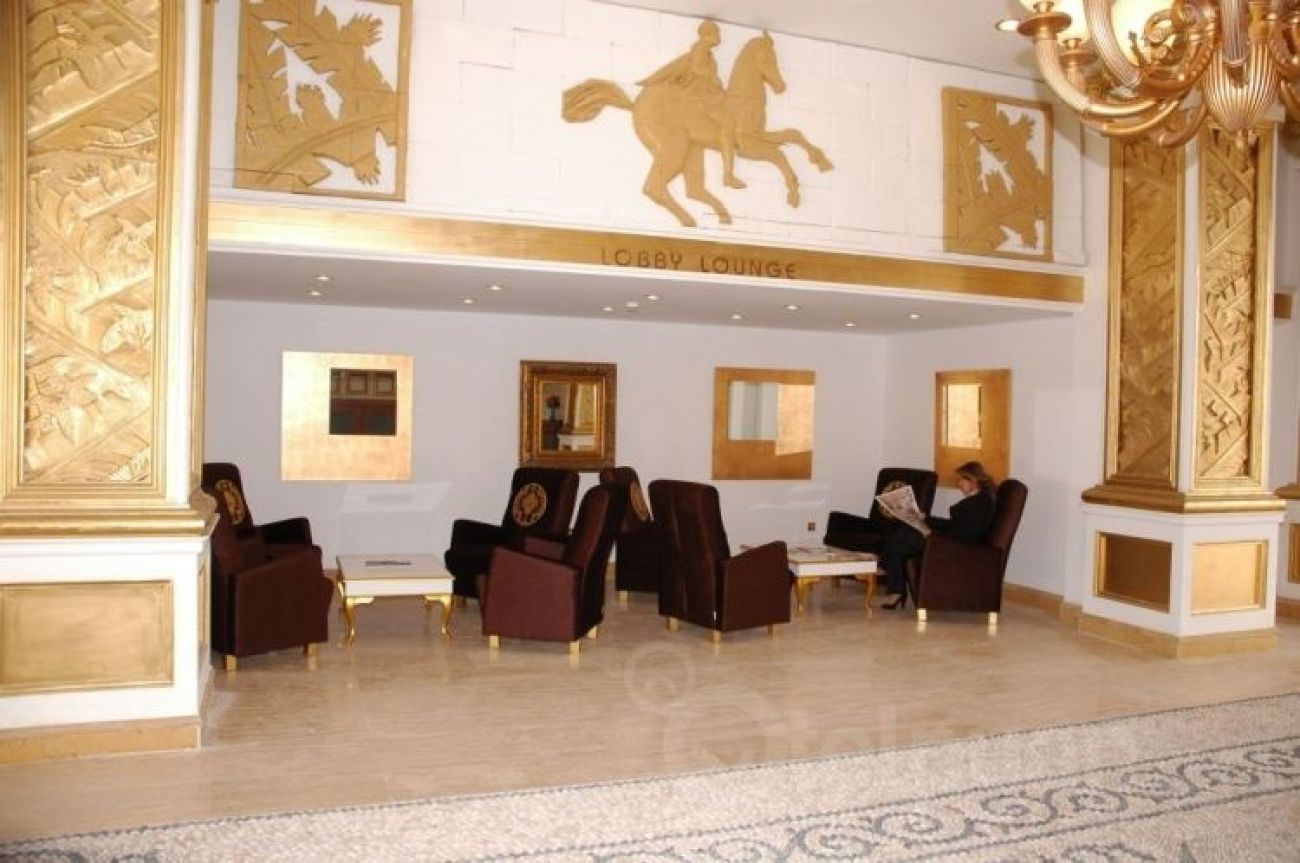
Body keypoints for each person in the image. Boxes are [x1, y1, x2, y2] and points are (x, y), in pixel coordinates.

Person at [638, 20, 744, 190]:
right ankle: (728, 174)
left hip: (709, 95)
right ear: (707, 34)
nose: (718, 36)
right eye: (716, 33)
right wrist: (712, 77)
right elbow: (696, 69)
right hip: (700, 98)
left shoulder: (708, 53)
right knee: (728, 124)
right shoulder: (700, 48)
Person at [878, 461, 997, 610]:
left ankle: (885, 570)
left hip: (950, 547)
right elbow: (954, 525)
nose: (959, 484)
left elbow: (964, 535)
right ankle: (894, 588)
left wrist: (930, 533)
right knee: (902, 538)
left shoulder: (979, 503)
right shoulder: (979, 499)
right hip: (949, 541)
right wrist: (925, 519)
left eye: (961, 479)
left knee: (903, 535)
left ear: (972, 480)